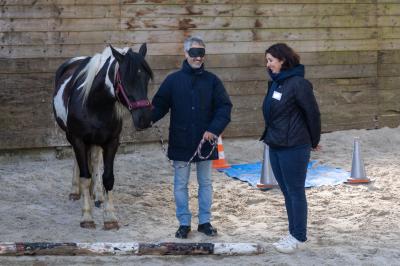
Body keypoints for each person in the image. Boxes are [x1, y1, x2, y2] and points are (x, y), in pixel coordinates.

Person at [151, 36, 232, 239]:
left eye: (202, 53)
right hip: (180, 140)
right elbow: (159, 105)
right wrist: (145, 118)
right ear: (186, 54)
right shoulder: (172, 80)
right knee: (180, 184)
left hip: (206, 142)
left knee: (205, 183)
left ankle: (204, 222)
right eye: (194, 53)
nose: (198, 58)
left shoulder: (213, 81)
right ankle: (184, 223)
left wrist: (213, 130)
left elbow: (224, 107)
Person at [260, 43, 321, 253]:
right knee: (286, 191)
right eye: (267, 61)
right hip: (276, 144)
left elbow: (312, 114)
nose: (268, 65)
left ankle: (299, 236)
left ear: (282, 60)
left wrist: (314, 140)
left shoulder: (298, 84)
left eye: (270, 60)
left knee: (295, 191)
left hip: (294, 145)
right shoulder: (277, 84)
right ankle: (292, 232)